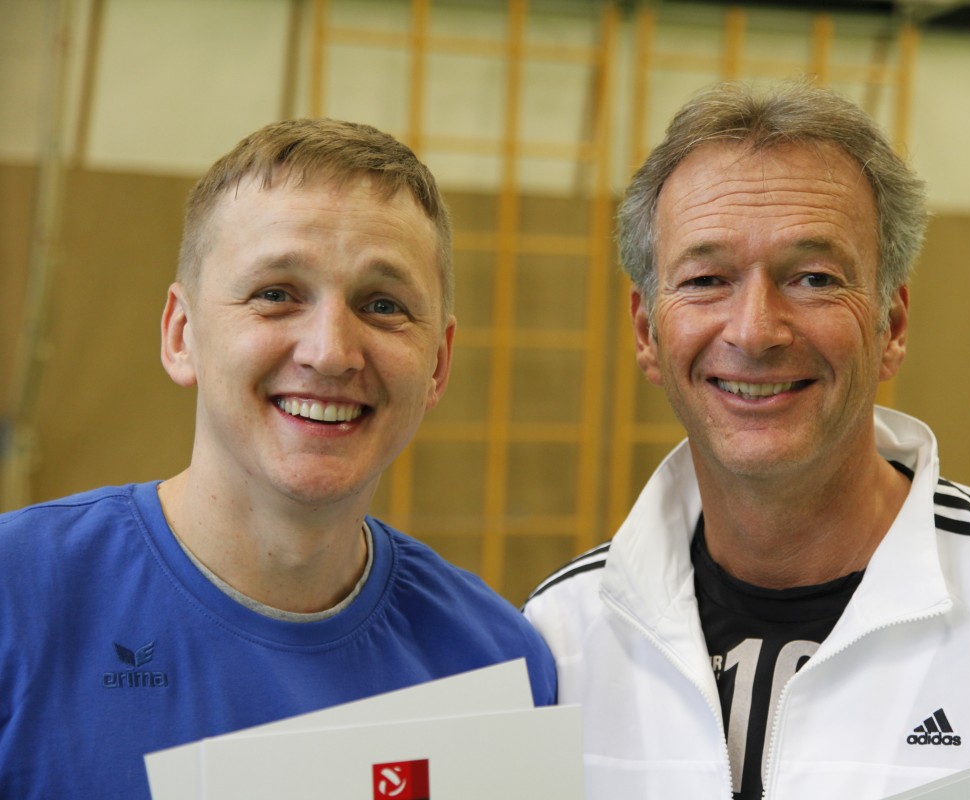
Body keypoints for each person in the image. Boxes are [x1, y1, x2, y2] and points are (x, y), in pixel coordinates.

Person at [523, 81, 970, 799]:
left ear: (892, 326)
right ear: (646, 332)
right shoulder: (556, 642)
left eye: (814, 278)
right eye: (707, 279)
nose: (755, 331)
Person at [0, 118, 556, 798]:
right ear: (181, 335)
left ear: (437, 364)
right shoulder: (17, 599)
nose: (330, 352)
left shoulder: (496, 662)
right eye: (276, 294)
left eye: (382, 305)